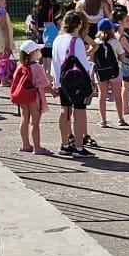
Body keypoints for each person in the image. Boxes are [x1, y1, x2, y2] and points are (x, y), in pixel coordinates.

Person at [51, 10, 96, 158]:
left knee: (65, 111)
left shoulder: (57, 39)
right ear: (79, 24)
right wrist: (91, 80)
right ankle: (78, 146)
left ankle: (64, 144)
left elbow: (54, 63)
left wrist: (55, 81)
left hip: (62, 80)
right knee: (79, 112)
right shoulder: (76, 41)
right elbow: (84, 64)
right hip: (77, 82)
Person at [9, 40, 49, 155]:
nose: (39, 52)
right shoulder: (37, 67)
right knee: (35, 122)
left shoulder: (20, 66)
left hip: (23, 96)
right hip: (34, 97)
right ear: (33, 53)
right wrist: (54, 92)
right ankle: (37, 147)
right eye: (37, 50)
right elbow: (45, 84)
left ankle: (25, 145)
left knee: (24, 119)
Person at [92, 19, 126, 127]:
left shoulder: (95, 42)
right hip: (114, 71)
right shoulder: (114, 42)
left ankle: (103, 120)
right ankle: (120, 119)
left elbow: (91, 58)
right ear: (110, 30)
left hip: (101, 72)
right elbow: (122, 57)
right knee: (117, 95)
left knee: (102, 95)